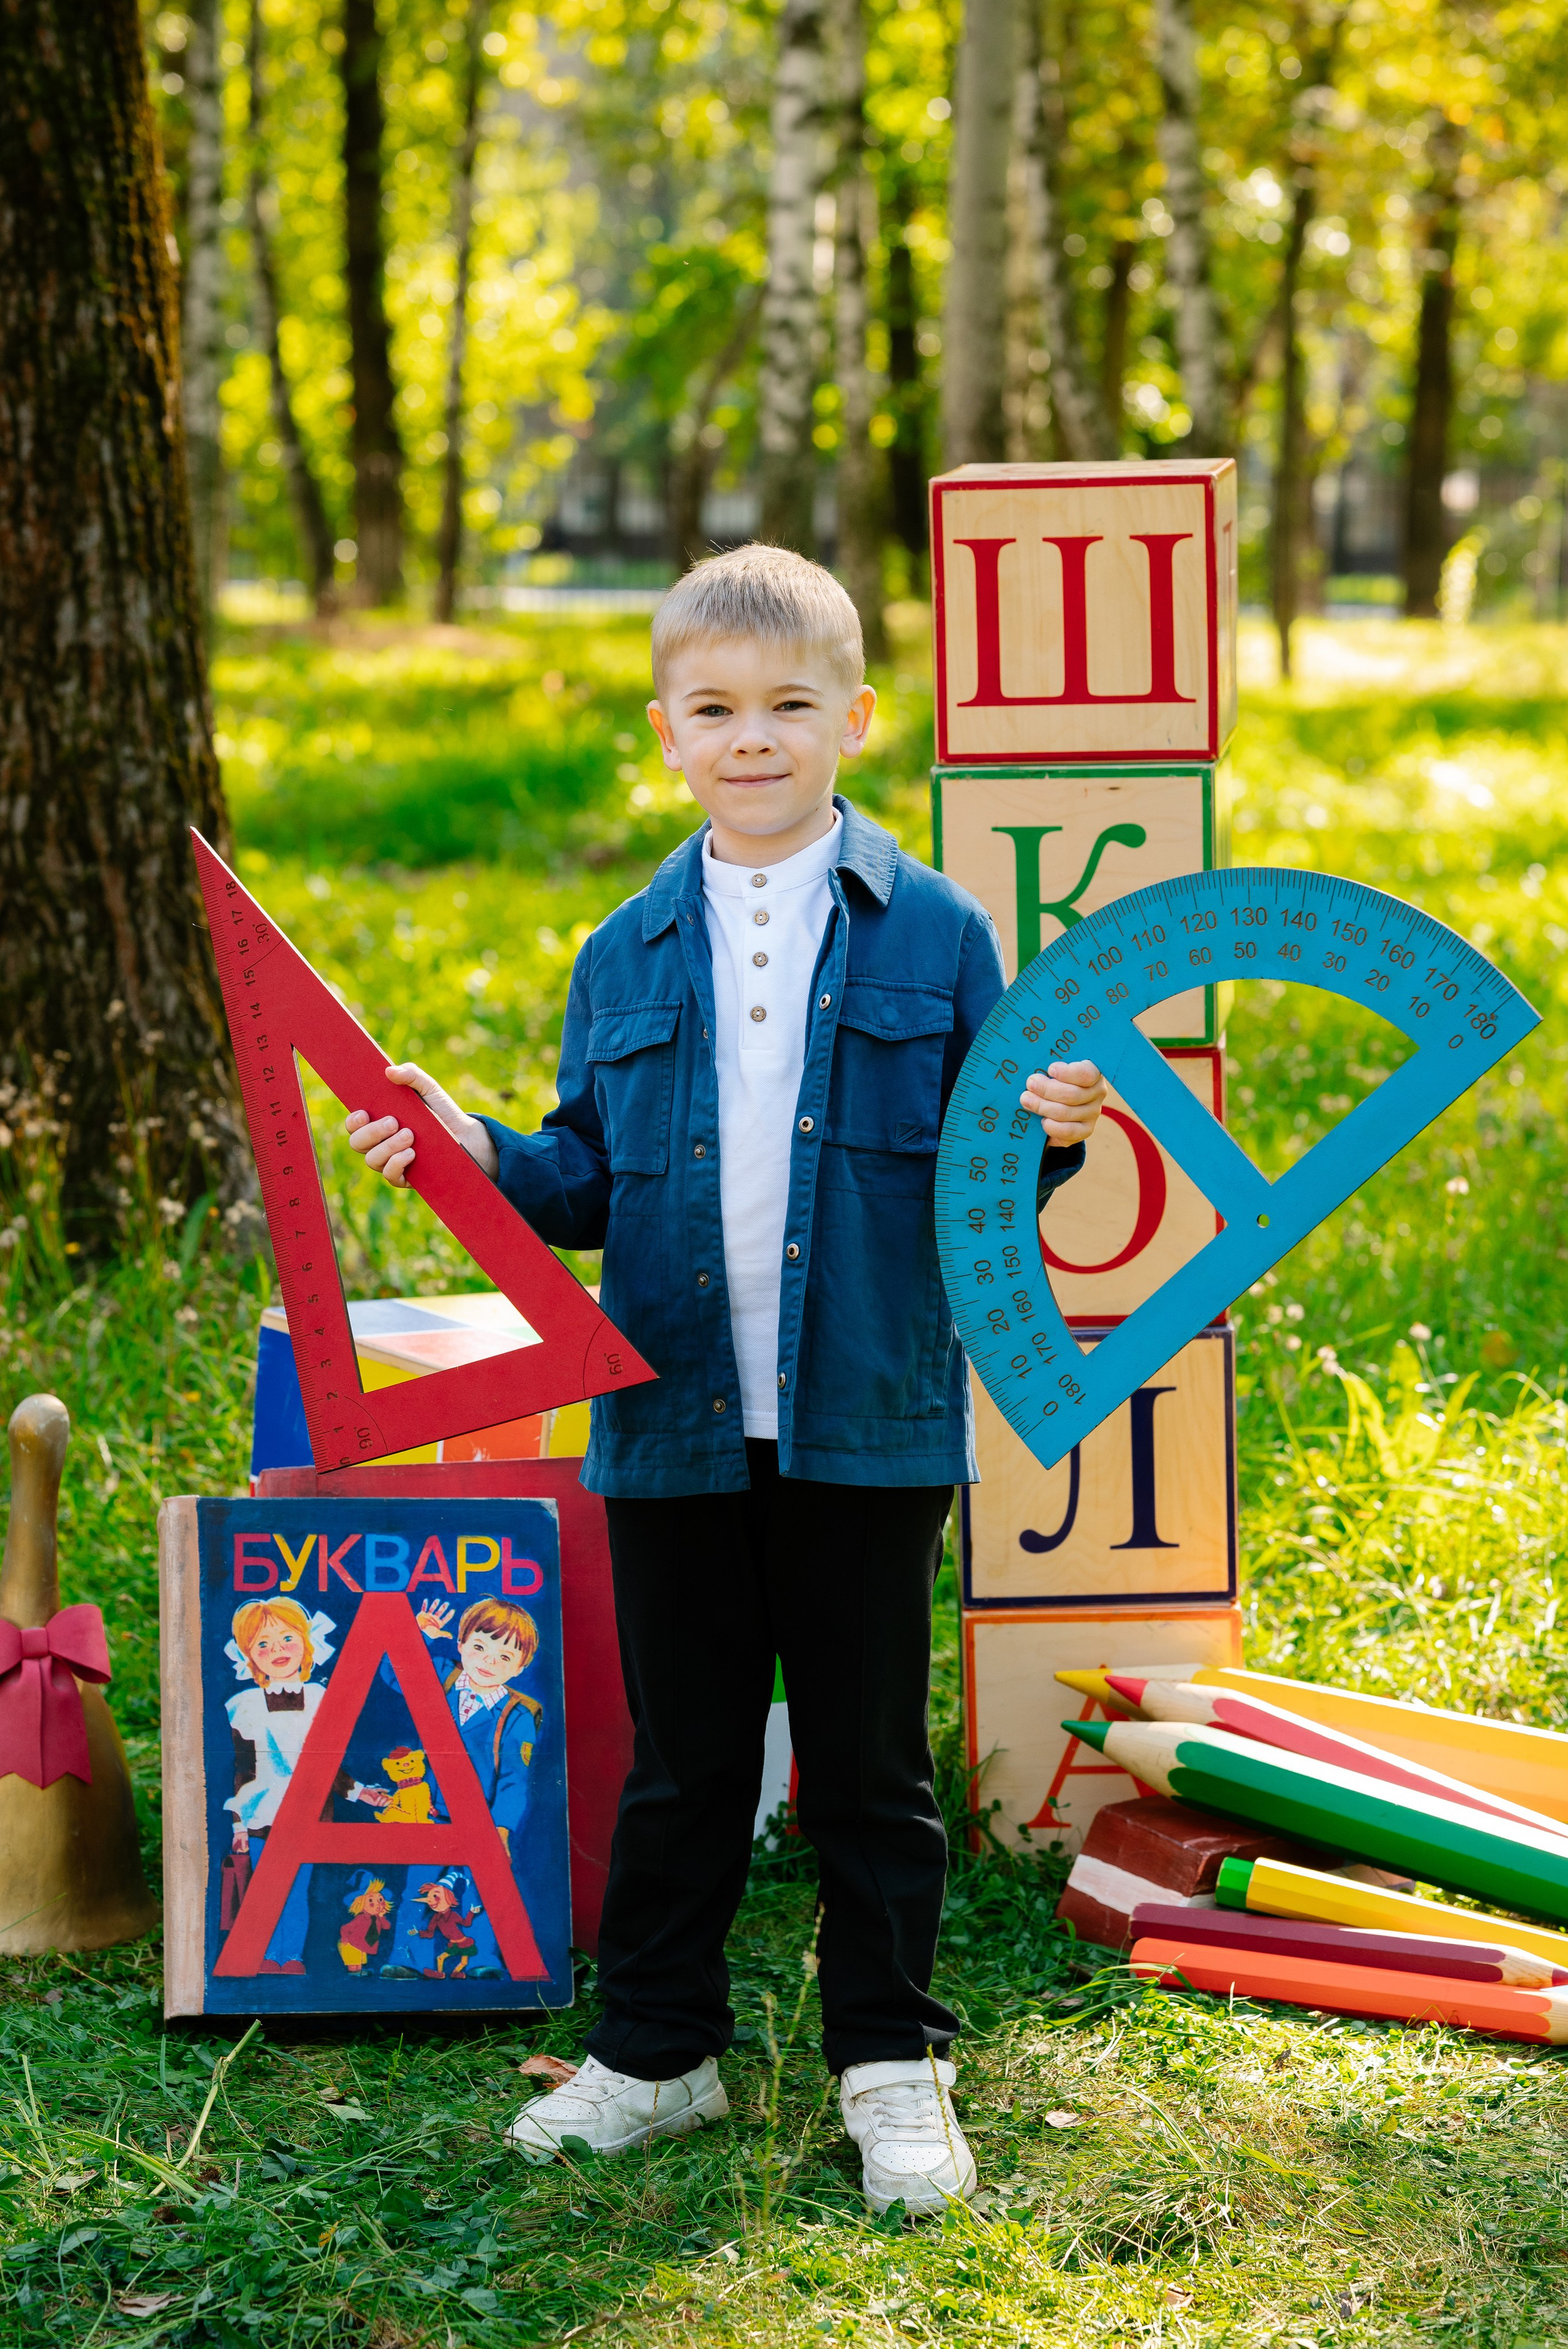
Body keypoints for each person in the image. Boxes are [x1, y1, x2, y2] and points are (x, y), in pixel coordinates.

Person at [344, 544, 1106, 2212]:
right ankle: (657, 2053)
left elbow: (985, 1182)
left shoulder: (945, 933)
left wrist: (1052, 1137)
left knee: (868, 1761)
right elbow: (579, 1181)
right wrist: (466, 1144)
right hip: (674, 1411)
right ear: (665, 730)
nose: (750, 738)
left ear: (854, 714)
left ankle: (892, 2060)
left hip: (870, 1414)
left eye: (787, 706)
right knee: (685, 1757)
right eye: (714, 710)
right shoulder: (621, 954)